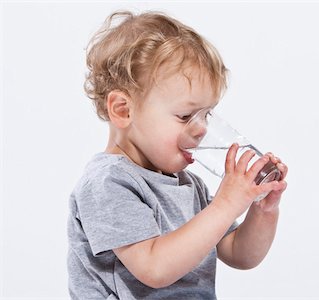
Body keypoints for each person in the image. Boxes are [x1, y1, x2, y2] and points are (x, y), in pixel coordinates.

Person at [67, 10, 288, 300]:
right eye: (185, 115)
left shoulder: (188, 185)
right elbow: (154, 268)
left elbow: (240, 254)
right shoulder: (108, 183)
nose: (201, 130)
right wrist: (225, 204)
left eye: (206, 114)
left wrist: (262, 210)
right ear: (123, 109)